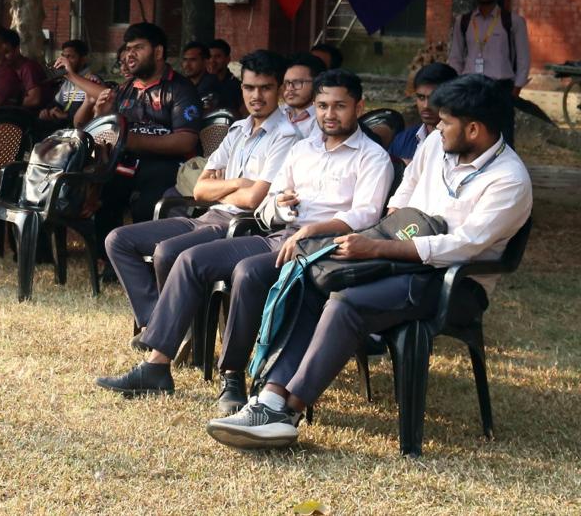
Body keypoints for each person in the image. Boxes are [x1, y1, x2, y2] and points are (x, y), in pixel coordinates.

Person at [207, 74, 531, 449]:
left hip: (453, 283)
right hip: (397, 257)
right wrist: (387, 233)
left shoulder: (509, 180)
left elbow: (462, 246)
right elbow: (405, 192)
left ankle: (288, 413)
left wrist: (377, 249)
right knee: (312, 279)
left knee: (346, 303)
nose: (437, 127)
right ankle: (269, 400)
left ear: (473, 129)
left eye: (446, 122)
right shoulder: (436, 146)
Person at [95, 70, 393, 413]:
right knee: (191, 259)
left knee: (248, 273)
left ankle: (233, 375)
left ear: (359, 107)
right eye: (323, 106)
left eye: (340, 106)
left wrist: (311, 230)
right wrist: (279, 206)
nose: (329, 114)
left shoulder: (372, 156)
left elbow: (366, 216)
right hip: (281, 235)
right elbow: (267, 203)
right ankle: (157, 366)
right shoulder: (304, 150)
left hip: (326, 247)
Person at [103, 50, 298, 338]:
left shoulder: (287, 136)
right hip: (208, 215)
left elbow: (253, 199)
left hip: (241, 225)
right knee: (118, 240)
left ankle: (166, 333)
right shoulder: (237, 130)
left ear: (279, 89)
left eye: (265, 88)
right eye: (249, 87)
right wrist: (238, 183)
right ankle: (158, 323)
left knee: (167, 252)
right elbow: (199, 190)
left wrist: (223, 188)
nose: (256, 96)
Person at [76, 23, 202, 244]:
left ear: (158, 52)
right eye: (128, 48)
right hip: (126, 163)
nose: (129, 54)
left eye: (138, 48)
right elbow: (102, 133)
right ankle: (106, 257)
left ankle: (147, 255)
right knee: (102, 193)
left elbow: (186, 141)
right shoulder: (124, 89)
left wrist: (131, 140)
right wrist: (103, 116)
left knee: (146, 204)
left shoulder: (181, 89)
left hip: (168, 165)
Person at [448, 0, 529, 146]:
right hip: (470, 86)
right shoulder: (464, 21)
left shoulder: (513, 21)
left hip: (500, 87)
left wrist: (516, 89)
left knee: (503, 136)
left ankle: (504, 165)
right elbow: (455, 57)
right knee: (470, 135)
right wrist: (457, 85)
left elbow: (523, 59)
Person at [390, 62, 458, 163]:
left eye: (433, 98)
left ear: (451, 98)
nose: (426, 106)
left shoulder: (461, 143)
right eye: (421, 97)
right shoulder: (403, 140)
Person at [42, 39, 100, 124]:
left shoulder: (93, 81)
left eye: (70, 57)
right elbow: (56, 103)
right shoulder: (67, 82)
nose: (66, 61)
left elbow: (93, 115)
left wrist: (65, 116)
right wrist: (47, 111)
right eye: (64, 56)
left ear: (83, 59)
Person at [281, 52, 326, 138]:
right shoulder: (279, 112)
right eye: (287, 83)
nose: (290, 88)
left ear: (317, 84)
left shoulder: (324, 118)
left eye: (297, 82)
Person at [4, 28, 49, 111]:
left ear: (17, 50)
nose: (2, 56)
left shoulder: (28, 68)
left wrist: (4, 102)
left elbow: (34, 100)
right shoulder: (7, 67)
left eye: (6, 52)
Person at [207, 39, 243, 115]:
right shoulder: (201, 82)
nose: (212, 61)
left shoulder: (236, 86)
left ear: (228, 59)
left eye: (217, 56)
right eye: (209, 56)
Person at [179, 42, 220, 107]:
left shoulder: (213, 86)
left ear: (205, 62)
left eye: (193, 60)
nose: (187, 65)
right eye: (185, 60)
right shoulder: (181, 84)